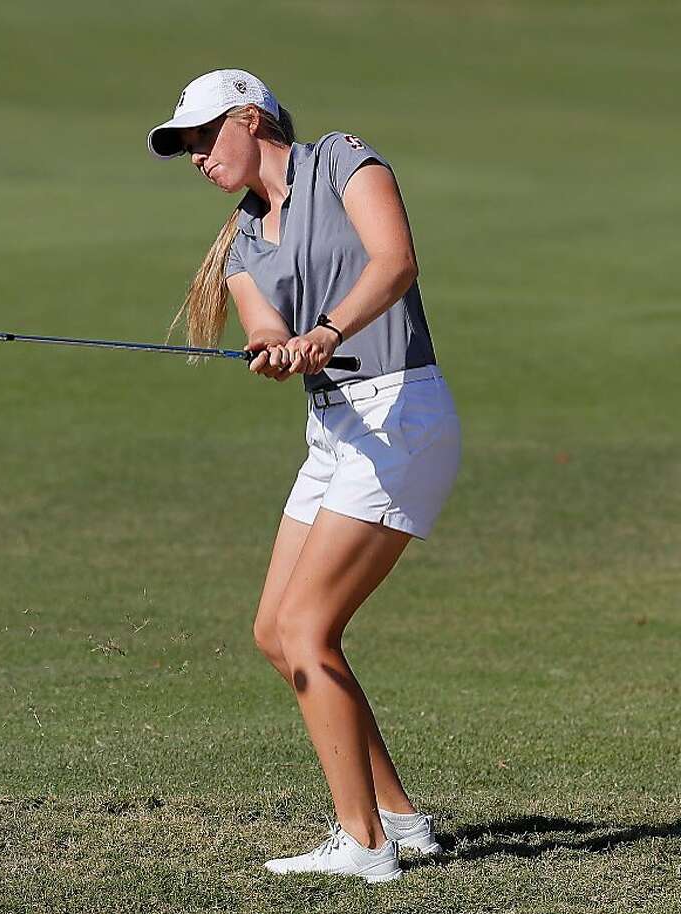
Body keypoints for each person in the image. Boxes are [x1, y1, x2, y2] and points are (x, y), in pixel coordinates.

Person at [146, 69, 461, 884]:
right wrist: (277, 350)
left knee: (308, 632)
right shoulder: (243, 239)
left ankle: (365, 847)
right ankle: (399, 818)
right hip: (333, 430)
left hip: (399, 415)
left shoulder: (343, 160)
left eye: (203, 135)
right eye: (184, 144)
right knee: (273, 632)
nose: (193, 155)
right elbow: (264, 325)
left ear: (251, 119)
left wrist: (325, 330)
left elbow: (394, 263)